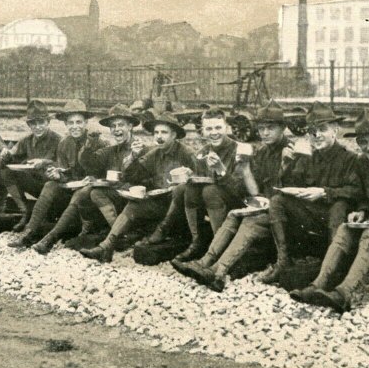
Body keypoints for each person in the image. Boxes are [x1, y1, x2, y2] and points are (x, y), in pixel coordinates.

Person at [172, 100, 301, 291]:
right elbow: (254, 192)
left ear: (283, 128)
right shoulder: (261, 151)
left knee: (250, 221)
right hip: (264, 206)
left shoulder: (293, 152)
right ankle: (204, 262)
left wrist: (285, 167)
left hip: (284, 214)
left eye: (270, 128)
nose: (264, 133)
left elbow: (292, 193)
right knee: (234, 215)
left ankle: (218, 271)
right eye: (262, 128)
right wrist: (246, 169)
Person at [291, 109, 369, 311]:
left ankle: (344, 293)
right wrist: (361, 211)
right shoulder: (362, 162)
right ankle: (317, 285)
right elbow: (362, 195)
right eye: (363, 143)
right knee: (345, 228)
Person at [264, 101, 362, 284]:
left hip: (338, 220)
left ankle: (333, 269)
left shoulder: (350, 159)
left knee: (339, 205)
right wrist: (286, 166)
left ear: (336, 130)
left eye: (322, 129)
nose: (316, 135)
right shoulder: (307, 157)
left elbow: (356, 191)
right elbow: (291, 185)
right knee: (277, 201)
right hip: (313, 216)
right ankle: (283, 261)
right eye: (311, 131)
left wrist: (325, 192)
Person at [30, 103, 145, 254]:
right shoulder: (110, 150)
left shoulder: (140, 147)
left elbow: (143, 178)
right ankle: (47, 236)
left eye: (121, 125)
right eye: (113, 126)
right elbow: (89, 163)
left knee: (87, 193)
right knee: (87, 193)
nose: (117, 129)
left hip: (132, 203)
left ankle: (52, 238)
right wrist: (89, 145)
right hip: (110, 201)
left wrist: (135, 157)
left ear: (130, 126)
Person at [80, 113, 195, 263]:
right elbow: (133, 176)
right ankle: (106, 247)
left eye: (164, 132)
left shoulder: (186, 153)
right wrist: (133, 157)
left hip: (181, 207)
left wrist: (189, 176)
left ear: (174, 135)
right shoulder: (154, 153)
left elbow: (201, 176)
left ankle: (161, 233)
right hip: (160, 202)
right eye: (156, 133)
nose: (159, 136)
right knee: (134, 205)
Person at [9, 99, 106, 249]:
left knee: (81, 193)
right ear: (66, 124)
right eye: (71, 123)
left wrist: (94, 179)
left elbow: (108, 172)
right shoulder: (64, 143)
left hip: (93, 195)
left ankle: (49, 239)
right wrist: (57, 175)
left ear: (86, 123)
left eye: (79, 122)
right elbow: (65, 172)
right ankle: (29, 232)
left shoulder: (99, 141)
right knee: (50, 185)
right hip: (72, 190)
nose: (75, 127)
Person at [174, 107, 245, 262]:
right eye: (209, 128)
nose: (214, 133)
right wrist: (189, 175)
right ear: (203, 131)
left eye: (218, 127)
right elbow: (201, 181)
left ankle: (219, 247)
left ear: (227, 127)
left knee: (210, 191)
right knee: (188, 188)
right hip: (214, 205)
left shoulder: (239, 150)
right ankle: (197, 242)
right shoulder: (203, 151)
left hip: (239, 204)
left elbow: (241, 191)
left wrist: (221, 170)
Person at [0, 100, 61, 221]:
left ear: (48, 122)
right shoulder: (26, 141)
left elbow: (66, 166)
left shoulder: (58, 140)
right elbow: (8, 161)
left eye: (41, 122)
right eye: (33, 123)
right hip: (36, 185)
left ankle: (46, 215)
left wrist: (44, 162)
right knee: (6, 172)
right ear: (29, 125)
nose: (38, 127)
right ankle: (25, 211)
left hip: (54, 188)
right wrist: (5, 155)